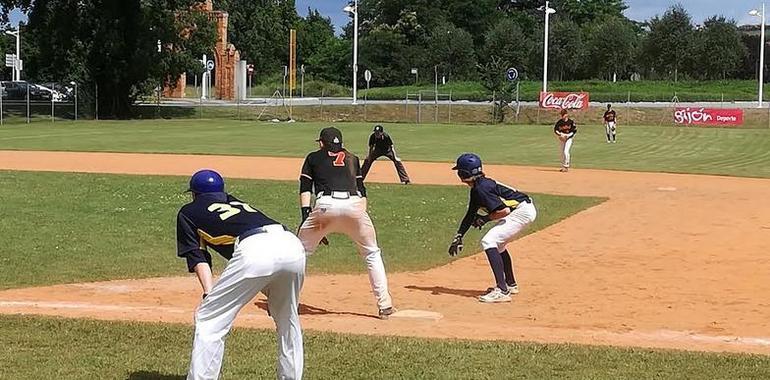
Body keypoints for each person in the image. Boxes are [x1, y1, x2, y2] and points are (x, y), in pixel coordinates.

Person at [177, 169, 305, 380]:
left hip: (256, 249)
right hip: (291, 244)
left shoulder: (188, 212)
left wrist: (209, 293)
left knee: (209, 319)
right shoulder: (234, 202)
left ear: (194, 194)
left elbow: (198, 256)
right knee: (287, 318)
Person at [297, 127, 395, 319]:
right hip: (354, 205)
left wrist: (306, 218)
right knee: (372, 253)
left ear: (322, 143)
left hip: (325, 206)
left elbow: (305, 188)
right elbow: (362, 190)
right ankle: (385, 305)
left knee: (299, 253)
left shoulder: (313, 157)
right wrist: (359, 216)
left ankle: (287, 301)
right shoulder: (352, 158)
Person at [448, 153, 537, 303]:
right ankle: (510, 285)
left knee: (489, 241)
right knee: (499, 244)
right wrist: (459, 235)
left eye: (460, 171)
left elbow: (504, 211)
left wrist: (484, 219)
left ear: (465, 173)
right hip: (523, 209)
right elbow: (470, 214)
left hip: (521, 212)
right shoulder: (478, 187)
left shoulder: (481, 188)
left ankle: (502, 291)